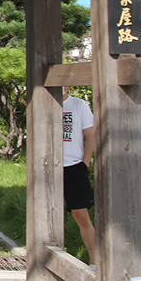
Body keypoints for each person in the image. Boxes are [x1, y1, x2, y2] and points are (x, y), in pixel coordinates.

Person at [61, 87, 97, 263]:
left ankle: (95, 261)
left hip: (74, 166)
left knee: (81, 216)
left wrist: (85, 163)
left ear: (68, 86)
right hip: (49, 166)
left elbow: (90, 135)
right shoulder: (44, 104)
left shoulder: (78, 105)